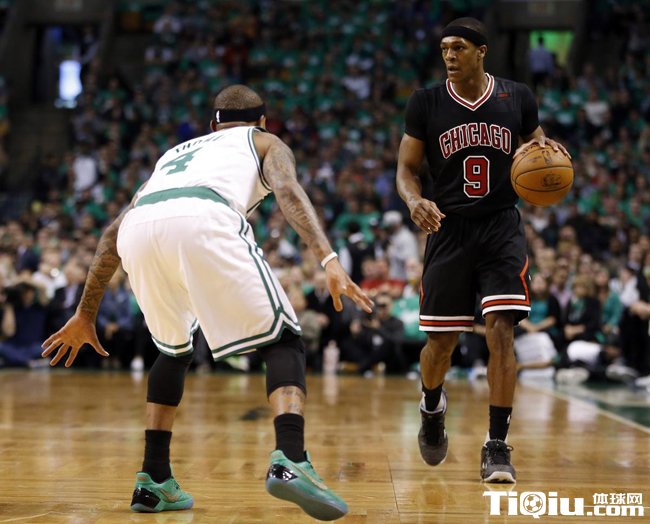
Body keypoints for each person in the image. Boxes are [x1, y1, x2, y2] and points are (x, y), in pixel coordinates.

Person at [41, 84, 373, 521]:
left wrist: (85, 314)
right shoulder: (264, 141)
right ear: (262, 121)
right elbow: (288, 190)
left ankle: (153, 478)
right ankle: (291, 457)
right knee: (284, 340)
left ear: (212, 125)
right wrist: (328, 258)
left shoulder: (172, 155)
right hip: (205, 217)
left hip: (139, 230)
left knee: (173, 351)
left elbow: (110, 235)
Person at [395, 18, 570, 483]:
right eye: (444, 48)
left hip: (499, 226)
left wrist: (548, 156)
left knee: (501, 332)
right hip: (448, 227)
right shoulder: (426, 101)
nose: (449, 56)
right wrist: (414, 201)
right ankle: (432, 405)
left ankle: (496, 445)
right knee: (440, 344)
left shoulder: (518, 96)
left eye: (458, 47)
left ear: (481, 51)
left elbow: (537, 147)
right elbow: (407, 169)